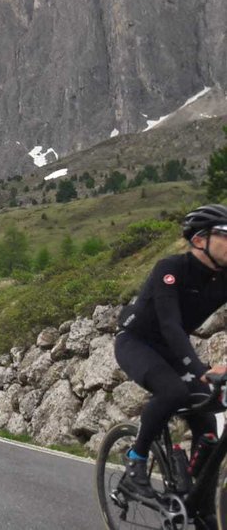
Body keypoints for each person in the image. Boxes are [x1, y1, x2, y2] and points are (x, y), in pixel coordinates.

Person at [114, 204, 227, 516]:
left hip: (172, 351)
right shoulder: (170, 268)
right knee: (173, 391)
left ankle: (194, 495)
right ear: (200, 239)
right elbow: (169, 325)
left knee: (210, 414)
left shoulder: (224, 278)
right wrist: (200, 370)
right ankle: (136, 462)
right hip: (137, 343)